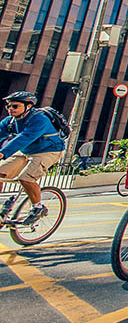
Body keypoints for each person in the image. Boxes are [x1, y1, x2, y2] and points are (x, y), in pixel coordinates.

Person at [0, 92, 66, 225]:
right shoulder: (10, 121)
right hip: (26, 151)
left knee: (26, 178)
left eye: (15, 106)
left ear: (28, 106)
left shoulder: (39, 119)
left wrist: (3, 153)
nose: (10, 109)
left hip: (49, 151)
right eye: (8, 106)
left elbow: (24, 138)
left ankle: (37, 207)